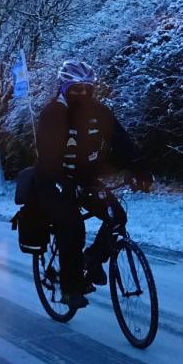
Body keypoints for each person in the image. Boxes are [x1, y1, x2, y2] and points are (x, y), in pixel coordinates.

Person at [34, 60, 153, 309]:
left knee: (117, 215)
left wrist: (138, 168)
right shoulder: (53, 113)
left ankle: (93, 259)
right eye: (75, 89)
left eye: (87, 88)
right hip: (53, 182)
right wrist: (61, 180)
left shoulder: (100, 113)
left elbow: (122, 143)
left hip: (85, 180)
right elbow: (48, 153)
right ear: (63, 88)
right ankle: (70, 288)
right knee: (72, 227)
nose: (82, 94)